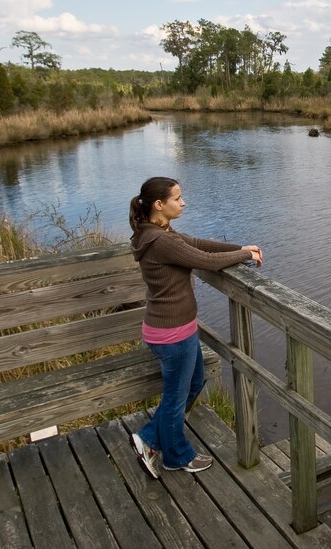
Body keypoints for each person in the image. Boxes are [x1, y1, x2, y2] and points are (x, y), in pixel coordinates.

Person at [128, 176, 263, 477]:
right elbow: (204, 260)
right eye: (177, 198)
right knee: (176, 398)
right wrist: (247, 256)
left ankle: (148, 439)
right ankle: (175, 456)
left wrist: (240, 246)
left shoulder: (157, 232)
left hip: (174, 330)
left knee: (193, 382)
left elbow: (198, 245)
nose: (184, 202)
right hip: (172, 334)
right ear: (159, 205)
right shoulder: (160, 241)